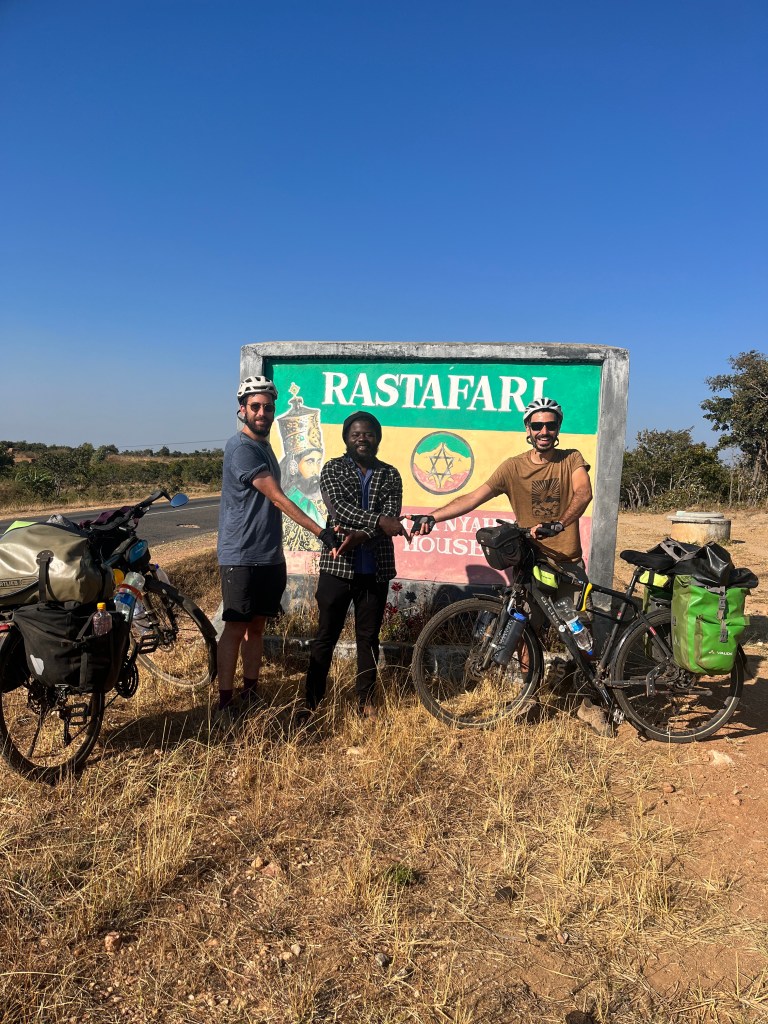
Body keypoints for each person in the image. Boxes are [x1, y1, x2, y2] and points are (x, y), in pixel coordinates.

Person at [410, 397, 609, 736]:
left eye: (551, 425)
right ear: (527, 430)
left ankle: (591, 700)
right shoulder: (512, 468)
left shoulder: (571, 458)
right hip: (531, 564)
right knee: (523, 629)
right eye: (537, 425)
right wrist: (433, 516)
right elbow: (471, 498)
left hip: (566, 567)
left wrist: (559, 524)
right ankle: (528, 697)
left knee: (578, 633)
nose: (544, 431)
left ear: (558, 428)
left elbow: (582, 493)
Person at [216, 376, 340, 724]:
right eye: (255, 406)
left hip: (269, 555)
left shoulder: (265, 447)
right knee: (235, 628)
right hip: (241, 554)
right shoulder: (241, 449)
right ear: (242, 409)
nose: (262, 412)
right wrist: (322, 532)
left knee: (257, 628)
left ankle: (251, 690)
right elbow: (278, 498)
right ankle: (225, 703)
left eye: (268, 407)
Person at [303, 411, 405, 720]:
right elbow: (340, 511)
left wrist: (362, 535)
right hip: (338, 567)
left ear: (378, 438)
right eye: (356, 434)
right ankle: (310, 701)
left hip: (375, 570)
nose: (362, 438)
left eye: (369, 433)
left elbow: (393, 513)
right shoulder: (333, 469)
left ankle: (366, 701)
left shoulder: (390, 474)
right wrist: (378, 522)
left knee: (369, 639)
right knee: (325, 636)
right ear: (347, 439)